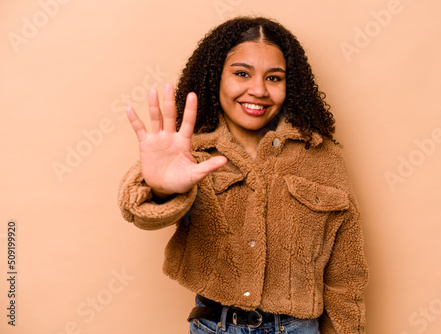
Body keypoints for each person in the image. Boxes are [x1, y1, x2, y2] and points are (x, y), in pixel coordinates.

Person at [118, 16, 368, 334]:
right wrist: (161, 189)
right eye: (241, 74)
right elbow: (139, 213)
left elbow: (347, 271)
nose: (259, 90)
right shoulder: (187, 151)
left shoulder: (321, 155)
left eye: (274, 78)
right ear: (215, 78)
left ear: (290, 85)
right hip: (214, 326)